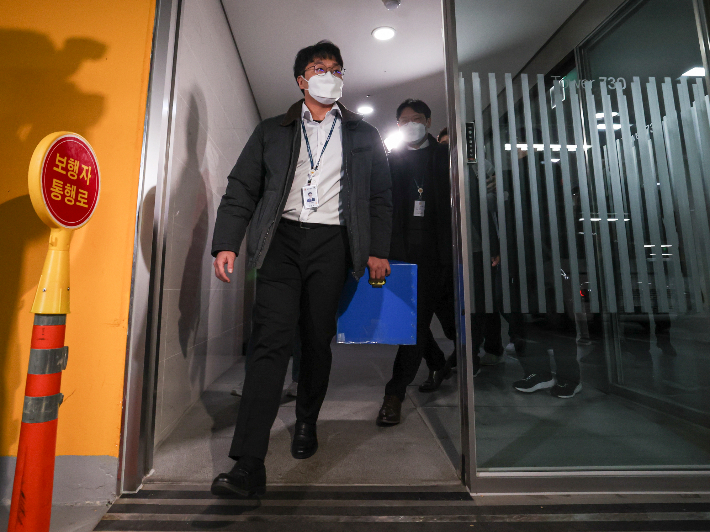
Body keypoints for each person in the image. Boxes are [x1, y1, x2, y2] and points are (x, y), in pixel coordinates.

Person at [210, 40, 392, 497]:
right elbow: (242, 187)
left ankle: (306, 419)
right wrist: (226, 242)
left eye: (336, 68)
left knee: (315, 340)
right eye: (319, 68)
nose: (329, 75)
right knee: (269, 343)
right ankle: (248, 463)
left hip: (333, 244)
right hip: (281, 243)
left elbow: (380, 198)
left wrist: (377, 249)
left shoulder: (363, 134)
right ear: (301, 80)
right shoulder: (272, 131)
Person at [377, 99, 456, 426]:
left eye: (418, 118)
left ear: (428, 121)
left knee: (416, 323)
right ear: (397, 125)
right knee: (409, 322)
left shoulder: (445, 155)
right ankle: (436, 363)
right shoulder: (389, 160)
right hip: (399, 253)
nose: (412, 124)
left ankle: (394, 394)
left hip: (436, 254)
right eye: (405, 120)